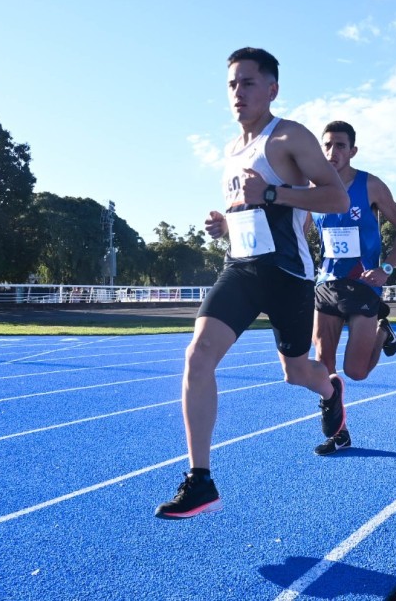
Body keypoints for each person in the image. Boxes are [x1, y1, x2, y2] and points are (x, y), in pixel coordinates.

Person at [155, 47, 350, 519]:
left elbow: (337, 198)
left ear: (272, 89)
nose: (237, 93)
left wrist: (272, 192)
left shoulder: (289, 136)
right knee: (198, 355)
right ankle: (200, 480)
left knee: (296, 372)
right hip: (241, 267)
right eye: (231, 84)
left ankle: (330, 391)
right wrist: (225, 224)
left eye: (247, 83)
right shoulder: (230, 151)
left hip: (287, 275)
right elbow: (250, 210)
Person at [310, 120, 396, 454]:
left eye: (340, 145)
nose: (333, 152)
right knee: (323, 365)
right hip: (326, 283)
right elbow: (299, 231)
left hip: (363, 284)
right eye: (327, 145)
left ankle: (383, 333)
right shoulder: (313, 189)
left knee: (355, 372)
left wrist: (386, 269)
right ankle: (339, 433)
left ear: (353, 151)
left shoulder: (370, 185)